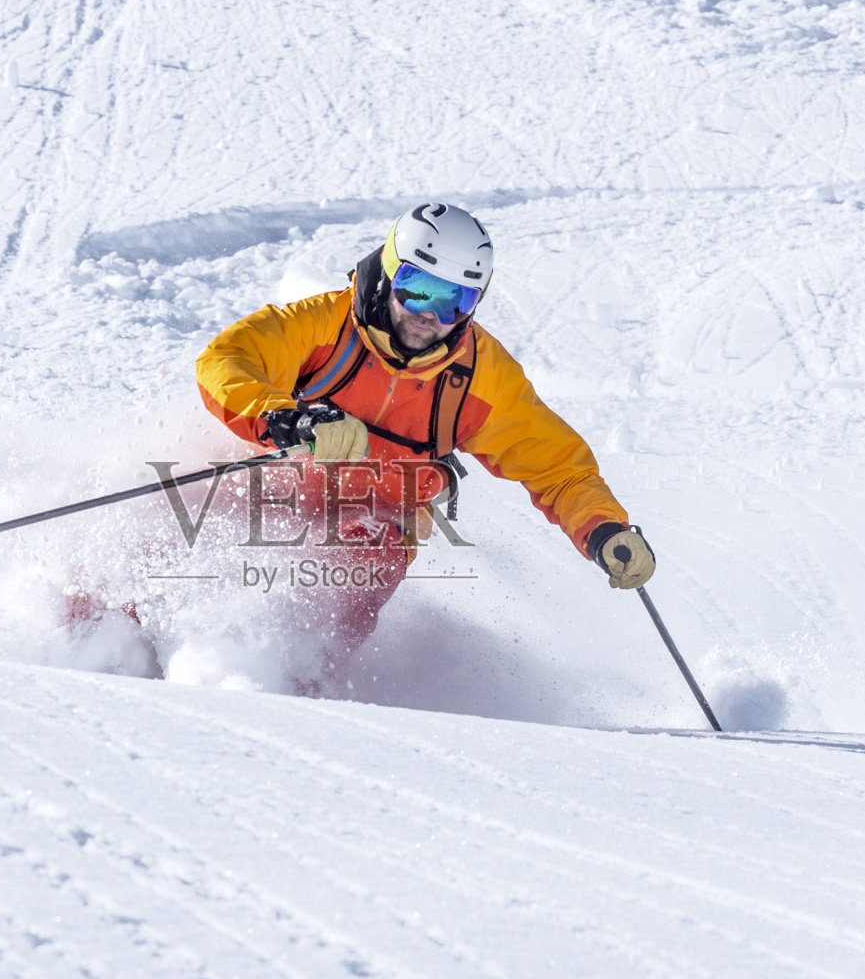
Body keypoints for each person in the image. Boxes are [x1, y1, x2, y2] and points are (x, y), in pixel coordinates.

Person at [195, 202, 653, 655]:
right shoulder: (324, 326)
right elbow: (228, 359)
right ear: (391, 273)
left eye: (457, 301)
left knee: (360, 568)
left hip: (375, 520)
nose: (432, 315)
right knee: (189, 549)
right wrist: (286, 417)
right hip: (266, 489)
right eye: (418, 288)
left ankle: (292, 685)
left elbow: (557, 467)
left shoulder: (481, 376)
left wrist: (604, 529)